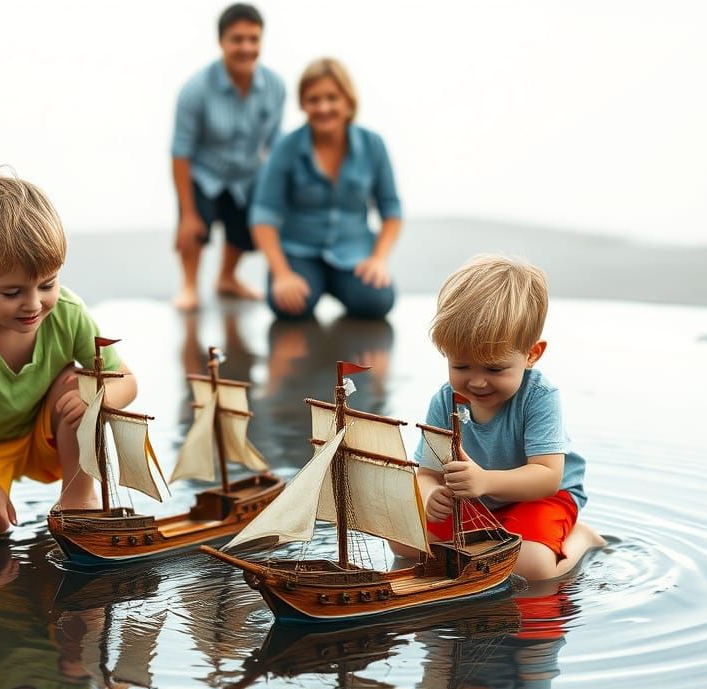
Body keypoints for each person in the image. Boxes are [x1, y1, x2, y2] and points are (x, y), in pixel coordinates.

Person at [0, 169, 138, 541]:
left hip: (48, 435)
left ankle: (78, 495)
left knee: (81, 383)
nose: (33, 304)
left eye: (47, 284)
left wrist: (98, 401)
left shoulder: (69, 312)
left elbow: (126, 380)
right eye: (12, 292)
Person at [406, 254, 604, 580]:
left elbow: (547, 476)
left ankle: (581, 538)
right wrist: (429, 496)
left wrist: (485, 481)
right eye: (461, 366)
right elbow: (427, 472)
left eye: (495, 368)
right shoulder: (445, 400)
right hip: (477, 499)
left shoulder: (539, 397)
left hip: (540, 497)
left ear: (532, 355)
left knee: (530, 569)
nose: (477, 381)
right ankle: (496, 533)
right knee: (405, 540)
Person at [250, 58, 401, 320]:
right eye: (313, 99)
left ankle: (342, 286)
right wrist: (282, 274)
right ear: (302, 104)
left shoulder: (373, 145)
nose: (323, 107)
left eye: (332, 98)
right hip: (299, 251)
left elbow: (392, 210)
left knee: (378, 301)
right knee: (287, 304)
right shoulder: (286, 148)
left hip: (353, 253)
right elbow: (263, 214)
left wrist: (378, 259)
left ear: (348, 101)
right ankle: (309, 284)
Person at [171, 4, 286, 312]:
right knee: (194, 227)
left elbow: (276, 144)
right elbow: (180, 152)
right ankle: (189, 285)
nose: (246, 47)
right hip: (203, 175)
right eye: (237, 39)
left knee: (246, 228)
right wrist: (187, 213)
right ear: (221, 41)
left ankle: (227, 278)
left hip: (246, 176)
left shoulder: (275, 87)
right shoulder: (195, 90)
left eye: (253, 39)